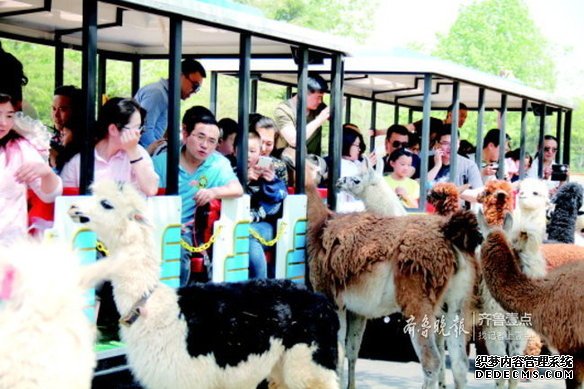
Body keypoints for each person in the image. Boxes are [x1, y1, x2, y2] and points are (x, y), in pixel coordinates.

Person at [152, 106, 243, 285]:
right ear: (185, 133)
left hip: (190, 233)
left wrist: (213, 192)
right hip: (159, 227)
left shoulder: (219, 164)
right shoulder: (161, 163)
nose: (205, 145)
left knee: (177, 252)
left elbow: (237, 189)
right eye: (200, 137)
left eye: (212, 141)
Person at [60, 98, 159, 196]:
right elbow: (66, 201)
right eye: (135, 128)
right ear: (113, 129)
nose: (139, 133)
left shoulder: (138, 153)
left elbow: (151, 190)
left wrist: (133, 153)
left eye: (140, 128)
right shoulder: (79, 161)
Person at [0, 93, 62, 245]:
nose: (3, 123)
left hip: (10, 245)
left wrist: (47, 173)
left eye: (9, 116)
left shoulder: (20, 149)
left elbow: (50, 196)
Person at [135, 58, 206, 148]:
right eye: (195, 85)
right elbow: (144, 132)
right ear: (180, 76)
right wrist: (160, 154)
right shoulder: (157, 94)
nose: (195, 91)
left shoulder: (169, 98)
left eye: (198, 88)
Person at [245, 130, 287, 279]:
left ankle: (260, 286)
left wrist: (271, 183)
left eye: (252, 151)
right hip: (233, 223)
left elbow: (278, 202)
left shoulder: (272, 171)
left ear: (259, 153)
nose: (248, 155)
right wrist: (244, 180)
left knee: (248, 233)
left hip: (267, 224)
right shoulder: (229, 170)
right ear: (235, 151)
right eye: (244, 150)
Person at [273, 73, 329, 159]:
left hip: (313, 163)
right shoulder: (284, 110)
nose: (320, 101)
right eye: (318, 97)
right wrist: (319, 120)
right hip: (289, 164)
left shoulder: (318, 107)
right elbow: (294, 140)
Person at [428, 126, 483, 202]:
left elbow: (478, 194)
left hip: (457, 211)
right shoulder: (425, 162)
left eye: (454, 143)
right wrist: (437, 166)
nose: (450, 147)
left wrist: (449, 192)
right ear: (437, 144)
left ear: (459, 144)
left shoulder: (469, 165)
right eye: (445, 143)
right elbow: (419, 189)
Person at [250, 113, 288, 186]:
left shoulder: (279, 166)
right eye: (260, 142)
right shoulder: (239, 163)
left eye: (269, 144)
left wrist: (273, 181)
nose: (263, 149)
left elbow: (283, 194)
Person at [336, 124, 367, 213]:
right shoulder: (344, 167)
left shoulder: (353, 164)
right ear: (347, 144)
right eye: (357, 145)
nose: (359, 149)